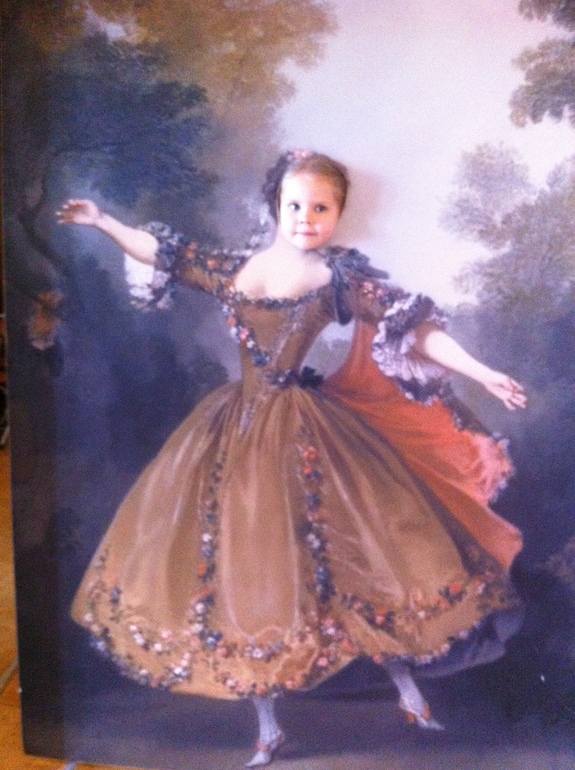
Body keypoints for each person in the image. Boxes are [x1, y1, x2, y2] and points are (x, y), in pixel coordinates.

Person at [57, 150, 526, 767]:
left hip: (310, 435)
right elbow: (164, 253)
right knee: (249, 575)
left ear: (338, 214)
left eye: (321, 208)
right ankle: (268, 728)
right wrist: (103, 222)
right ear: (276, 206)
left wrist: (484, 372)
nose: (307, 218)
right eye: (295, 205)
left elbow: (415, 330)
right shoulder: (233, 268)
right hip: (232, 436)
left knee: (364, 562)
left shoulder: (338, 281)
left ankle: (410, 694)